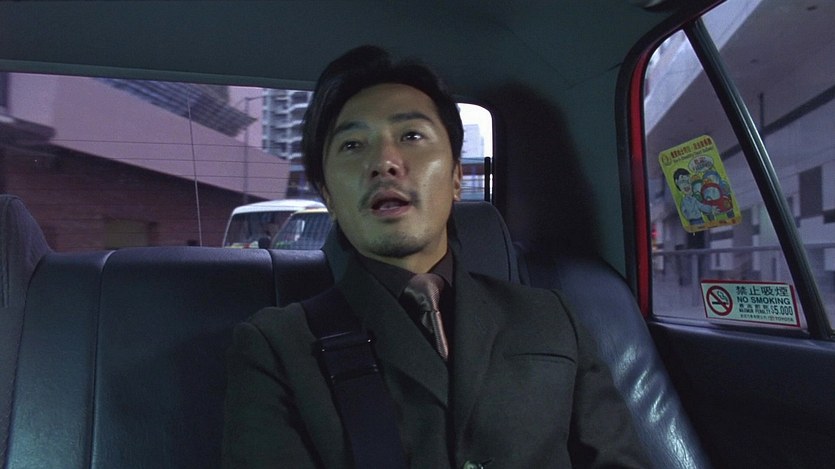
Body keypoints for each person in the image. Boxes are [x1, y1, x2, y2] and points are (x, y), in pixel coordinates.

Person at [222, 45, 650, 468]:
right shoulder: (277, 346)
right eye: (352, 145)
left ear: (457, 177)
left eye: (411, 136)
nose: (385, 162)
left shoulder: (552, 318)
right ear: (329, 196)